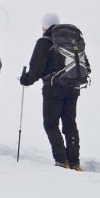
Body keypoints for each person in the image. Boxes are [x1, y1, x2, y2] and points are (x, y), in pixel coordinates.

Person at [20, 12, 87, 171]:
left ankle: (62, 161)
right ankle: (75, 162)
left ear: (44, 26)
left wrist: (25, 79)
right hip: (73, 87)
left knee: (51, 124)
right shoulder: (72, 40)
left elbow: (36, 70)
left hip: (54, 89)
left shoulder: (44, 42)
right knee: (70, 124)